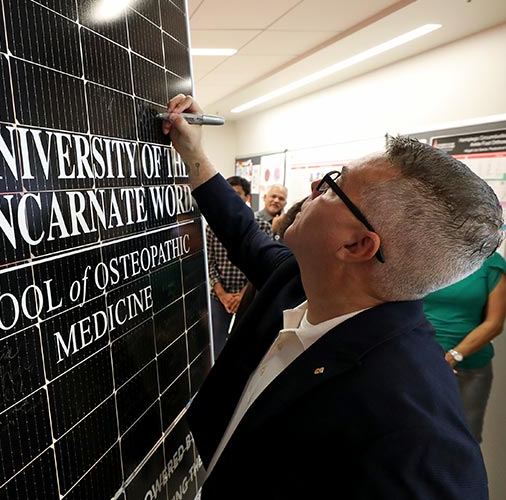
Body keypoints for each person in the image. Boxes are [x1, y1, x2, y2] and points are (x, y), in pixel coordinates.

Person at [163, 93, 500, 499]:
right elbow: (241, 233)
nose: (313, 188)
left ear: (357, 245)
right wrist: (193, 151)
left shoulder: (411, 426)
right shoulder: (299, 282)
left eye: (333, 185)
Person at [423, 251, 506, 442]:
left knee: (464, 442)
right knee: (417, 439)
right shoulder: (425, 257)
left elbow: (494, 324)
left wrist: (452, 357)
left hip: (470, 370)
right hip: (421, 363)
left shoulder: (491, 264)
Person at [206, 176, 273, 358]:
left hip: (249, 295)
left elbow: (261, 265)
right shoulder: (211, 227)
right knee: (215, 343)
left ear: (247, 197)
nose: (230, 198)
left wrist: (243, 295)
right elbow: (209, 263)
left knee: (244, 344)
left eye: (236, 194)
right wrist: (223, 294)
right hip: (219, 296)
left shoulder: (262, 227)